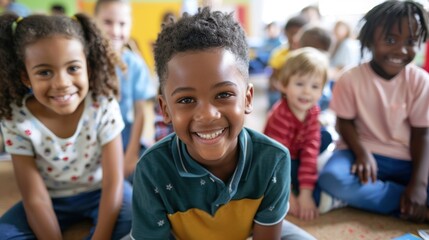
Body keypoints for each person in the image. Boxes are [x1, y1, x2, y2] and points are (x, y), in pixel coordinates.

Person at [131, 7, 316, 240]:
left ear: (247, 98)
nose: (208, 115)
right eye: (186, 100)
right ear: (165, 109)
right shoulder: (152, 169)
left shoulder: (273, 159)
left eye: (223, 94)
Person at [0, 13, 132, 239]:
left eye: (73, 68)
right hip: (50, 198)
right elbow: (34, 198)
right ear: (26, 77)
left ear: (88, 69)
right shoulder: (16, 118)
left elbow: (113, 183)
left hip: (101, 191)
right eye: (44, 72)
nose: (61, 83)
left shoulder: (102, 106)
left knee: (136, 219)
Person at [318, 0, 429, 223]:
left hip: (408, 158)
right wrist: (362, 153)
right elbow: (344, 123)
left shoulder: (420, 81)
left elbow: (422, 134)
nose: (401, 49)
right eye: (390, 40)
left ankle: (407, 198)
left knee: (421, 181)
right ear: (370, 39)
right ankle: (413, 206)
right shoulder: (350, 79)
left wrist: (419, 184)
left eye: (411, 41)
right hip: (360, 154)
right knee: (332, 178)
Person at [264, 47, 329, 221]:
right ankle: (289, 188)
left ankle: (305, 188)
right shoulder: (280, 115)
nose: (307, 92)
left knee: (324, 138)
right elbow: (276, 160)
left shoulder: (313, 111)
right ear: (284, 85)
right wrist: (288, 195)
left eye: (315, 86)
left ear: (322, 90)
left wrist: (306, 194)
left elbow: (310, 150)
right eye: (300, 84)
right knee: (266, 175)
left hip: (296, 154)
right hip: (277, 159)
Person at [94, 0, 156, 182]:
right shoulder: (85, 62)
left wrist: (130, 155)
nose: (115, 30)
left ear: (130, 24)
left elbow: (139, 114)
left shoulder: (135, 64)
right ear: (94, 22)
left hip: (126, 139)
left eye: (122, 24)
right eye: (107, 22)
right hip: (93, 141)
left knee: (146, 177)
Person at [267, 15, 308, 109]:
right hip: (281, 90)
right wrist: (275, 84)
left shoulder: (307, 55)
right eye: (291, 33)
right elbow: (273, 76)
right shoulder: (279, 53)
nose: (294, 37)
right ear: (285, 33)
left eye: (298, 34)